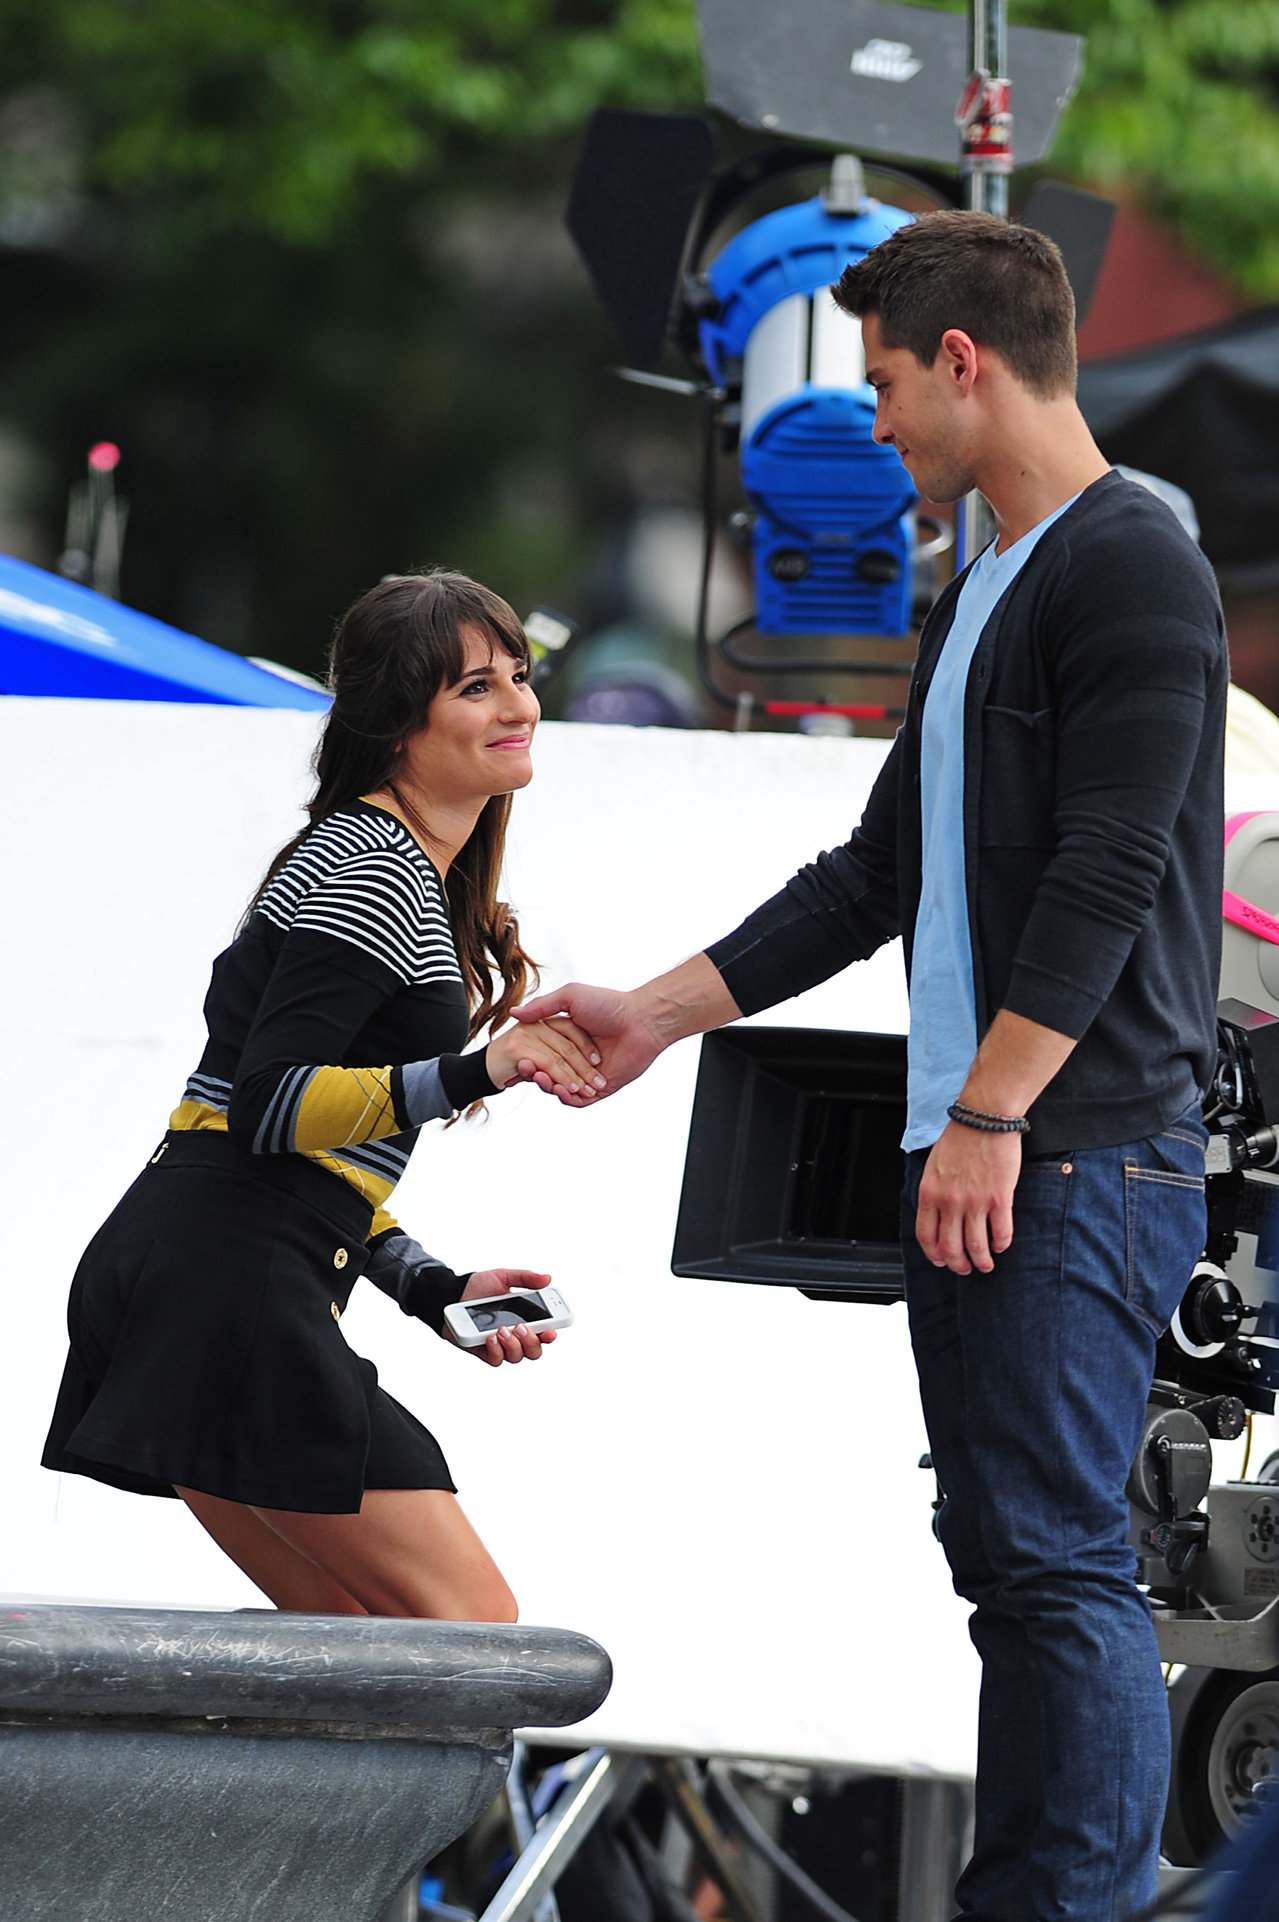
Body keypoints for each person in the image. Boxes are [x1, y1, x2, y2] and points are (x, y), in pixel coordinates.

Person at [515, 214, 1227, 1922]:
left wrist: (989, 1107)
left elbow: (1110, 859)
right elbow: (874, 871)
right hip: (997, 1148)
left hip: (1067, 1149)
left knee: (1057, 1565)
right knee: (1009, 1566)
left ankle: (1067, 1904)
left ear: (963, 362)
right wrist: (659, 1009)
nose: (875, 425)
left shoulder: (1133, 559)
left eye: (888, 383)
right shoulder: (983, 575)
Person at [42, 569, 603, 1622]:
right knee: (470, 1640)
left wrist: (430, 1283)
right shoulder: (373, 865)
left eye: (518, 677)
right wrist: (489, 1066)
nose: (519, 705)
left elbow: (285, 1143)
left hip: (198, 1269)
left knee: (356, 1663)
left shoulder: (383, 862)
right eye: (476, 687)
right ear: (398, 720)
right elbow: (270, 1105)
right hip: (225, 1283)